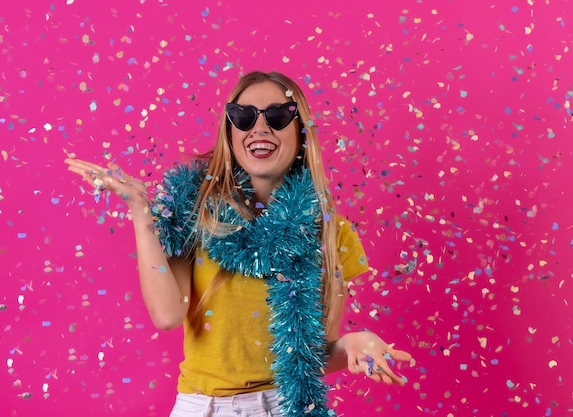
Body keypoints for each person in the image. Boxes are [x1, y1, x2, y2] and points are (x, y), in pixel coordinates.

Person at [65, 71, 412, 417]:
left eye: (277, 115)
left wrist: (352, 343)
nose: (259, 127)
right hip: (201, 408)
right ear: (230, 131)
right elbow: (167, 315)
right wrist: (141, 212)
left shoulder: (331, 234)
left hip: (284, 407)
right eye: (243, 116)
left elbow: (310, 358)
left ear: (300, 130)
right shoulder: (194, 213)